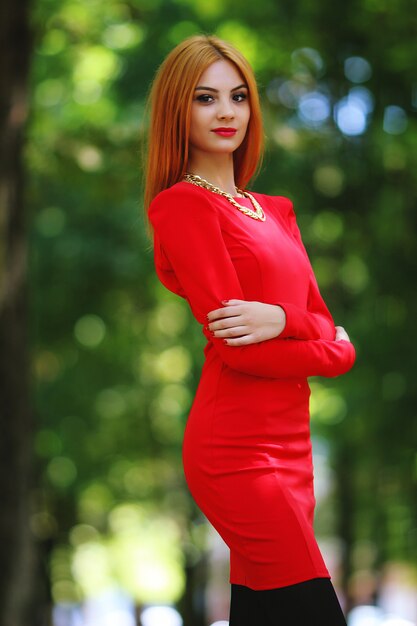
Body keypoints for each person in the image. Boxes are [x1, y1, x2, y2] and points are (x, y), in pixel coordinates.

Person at [143, 33, 355, 625]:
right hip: (235, 451)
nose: (227, 112)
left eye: (238, 96)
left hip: (293, 445)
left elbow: (320, 317)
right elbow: (241, 352)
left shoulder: (277, 210)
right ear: (177, 111)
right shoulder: (183, 206)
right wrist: (332, 352)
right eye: (205, 98)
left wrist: (283, 320)